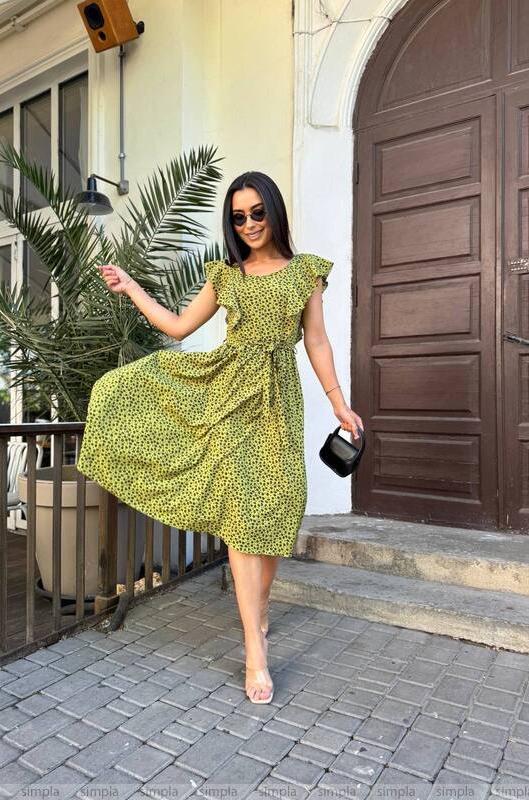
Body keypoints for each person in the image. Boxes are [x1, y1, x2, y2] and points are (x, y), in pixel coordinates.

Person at [77, 170, 364, 704]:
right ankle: (254, 646)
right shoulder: (227, 275)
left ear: (274, 211)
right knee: (240, 517)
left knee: (277, 510)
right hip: (226, 397)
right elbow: (179, 327)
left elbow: (317, 342)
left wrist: (339, 403)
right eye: (239, 217)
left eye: (257, 212)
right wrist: (133, 287)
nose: (250, 224)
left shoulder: (305, 273)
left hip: (279, 403)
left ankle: (260, 607)